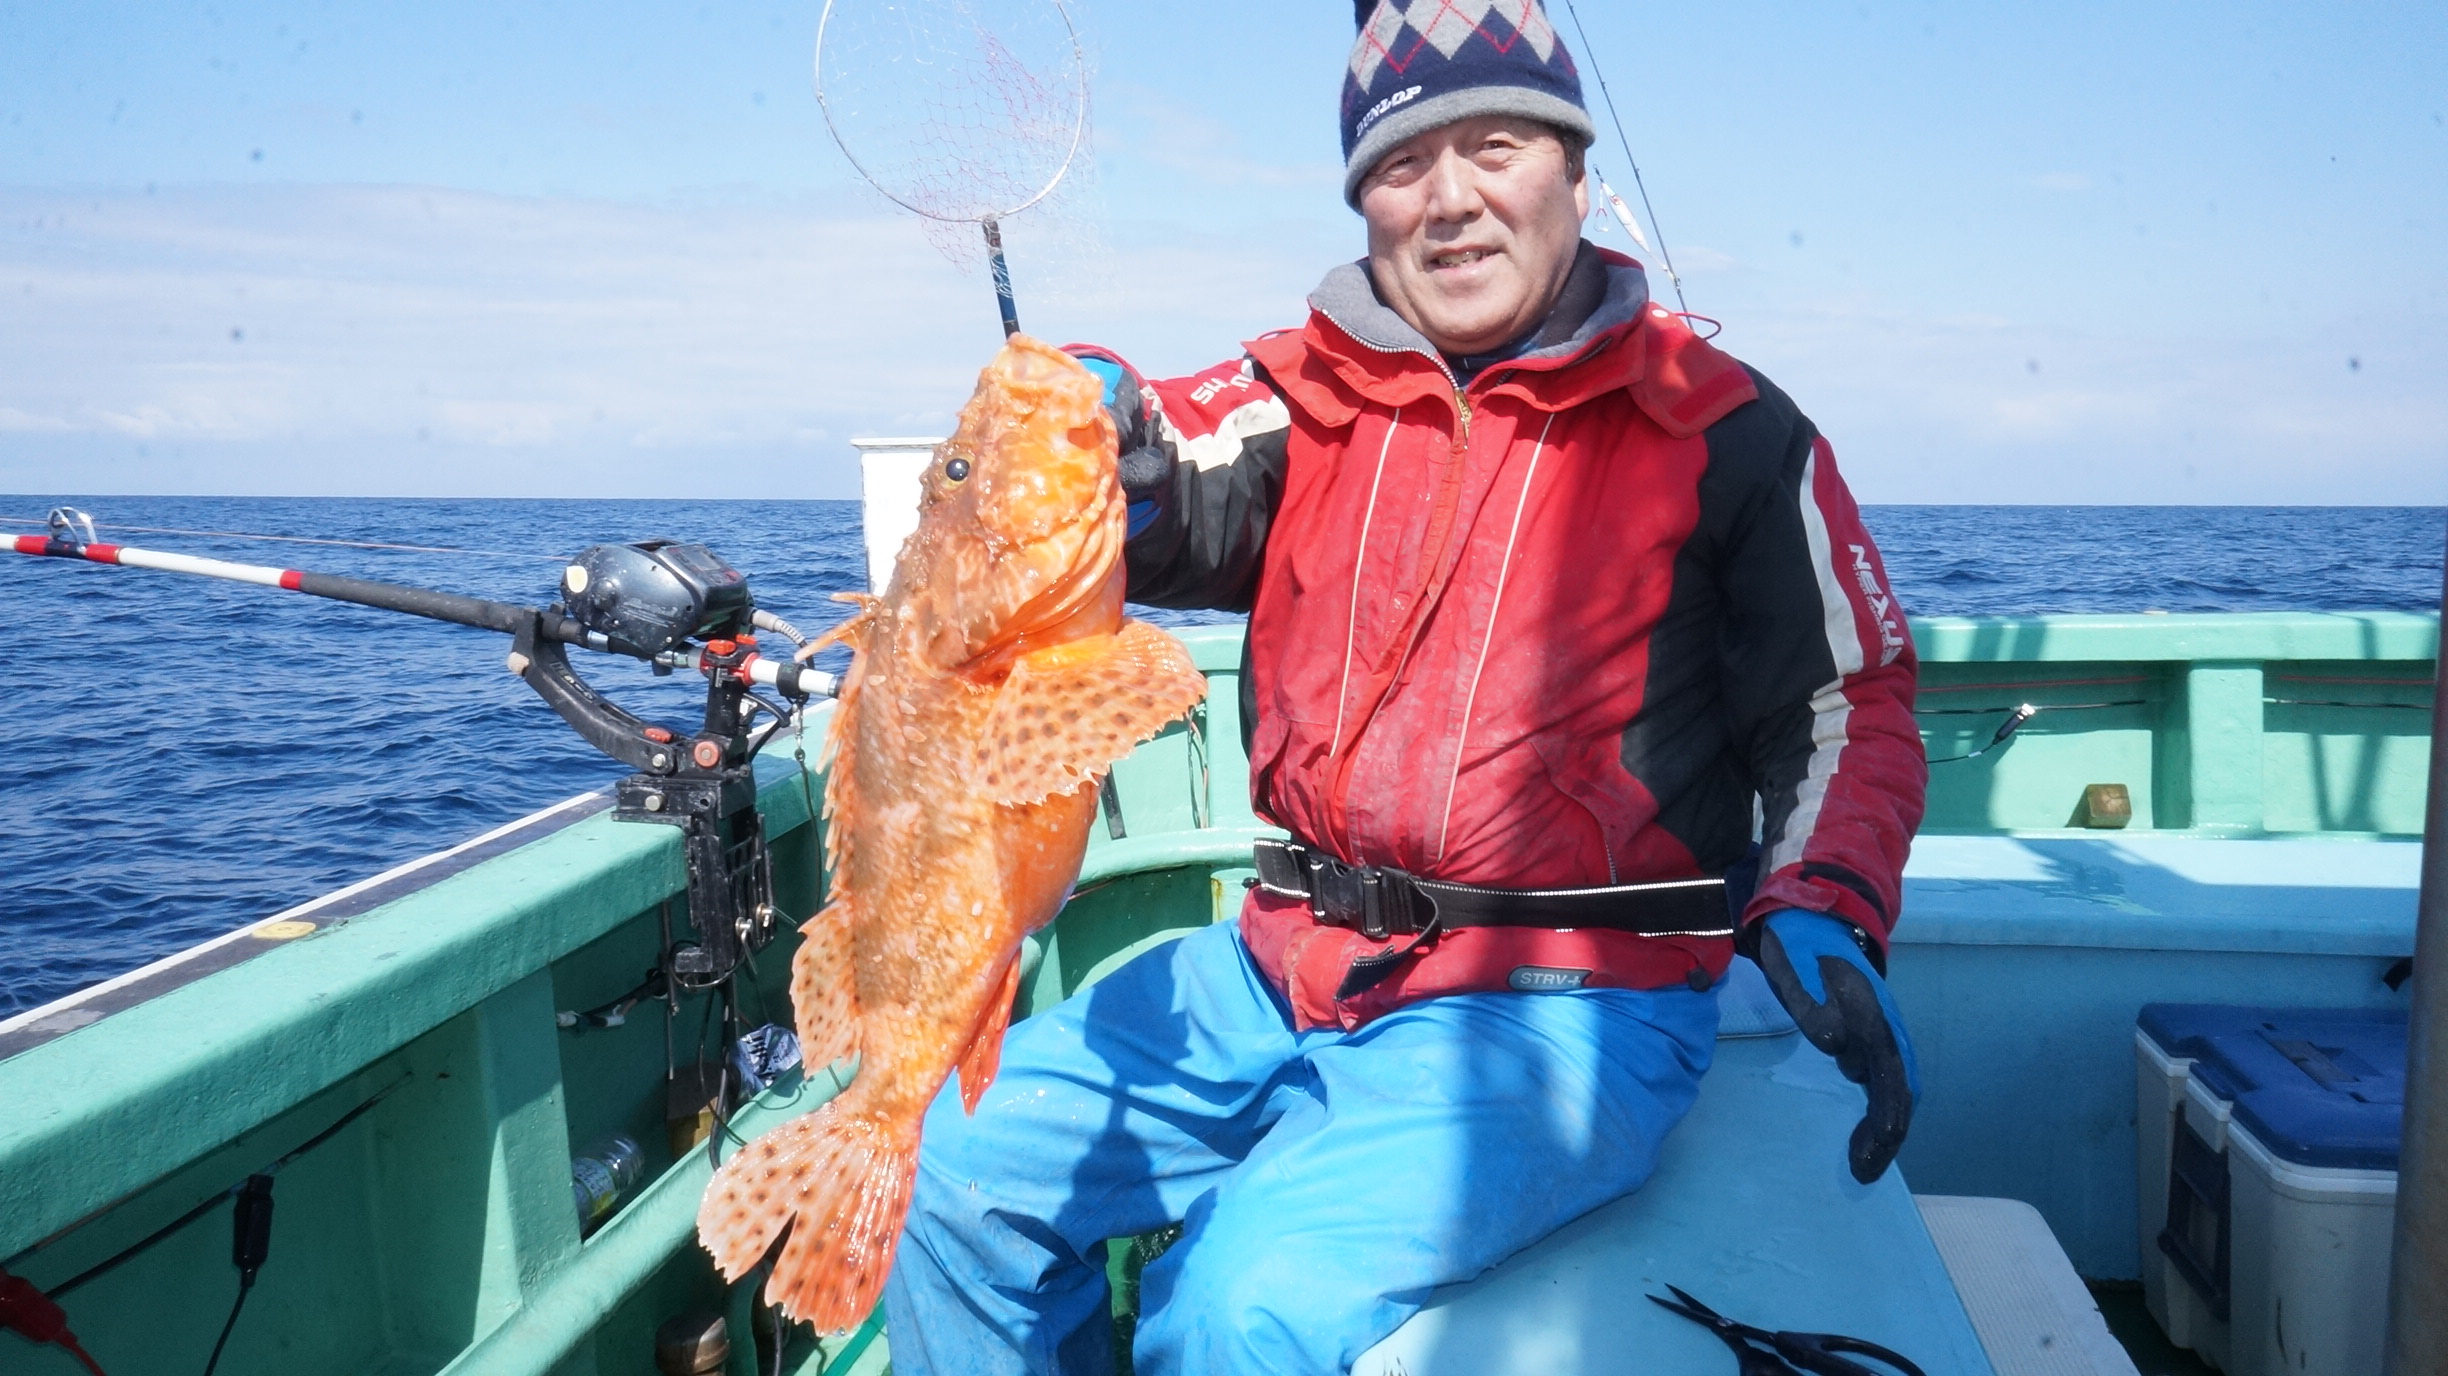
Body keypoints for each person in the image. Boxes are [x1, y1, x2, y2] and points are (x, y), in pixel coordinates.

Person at [881, 3, 1927, 1371]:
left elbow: (1847, 704)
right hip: (1277, 963)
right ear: (1364, 202)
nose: (1450, 201)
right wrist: (1093, 412)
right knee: (943, 1171)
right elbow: (1166, 455)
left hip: (1567, 1004)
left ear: (1575, 175)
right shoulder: (1298, 392)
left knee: (1238, 1306)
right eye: (1401, 164)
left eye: (1496, 148)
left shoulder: (1729, 427)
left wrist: (1826, 901)